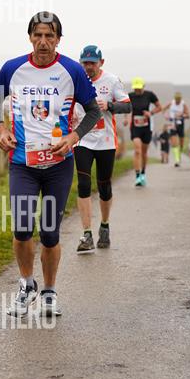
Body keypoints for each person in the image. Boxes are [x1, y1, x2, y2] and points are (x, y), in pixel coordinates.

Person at [0, 11, 100, 317]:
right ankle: (27, 285)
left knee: (49, 233)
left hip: (58, 165)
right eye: (37, 35)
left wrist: (74, 137)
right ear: (30, 37)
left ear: (58, 39)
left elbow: (93, 111)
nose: (43, 41)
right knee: (22, 228)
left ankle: (49, 292)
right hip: (22, 163)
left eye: (50, 35)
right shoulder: (12, 68)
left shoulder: (72, 71)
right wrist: (1, 129)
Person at [69, 45, 131, 254]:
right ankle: (86, 234)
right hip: (82, 139)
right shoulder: (75, 80)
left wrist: (109, 106)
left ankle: (104, 225)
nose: (89, 67)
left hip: (106, 141)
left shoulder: (111, 81)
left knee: (104, 186)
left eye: (92, 63)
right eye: (85, 63)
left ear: (101, 63)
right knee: (84, 183)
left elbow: (127, 106)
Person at [125, 78, 161, 186]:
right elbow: (127, 109)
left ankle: (143, 173)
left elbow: (159, 107)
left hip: (147, 127)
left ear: (143, 87)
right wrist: (126, 119)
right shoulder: (130, 96)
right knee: (137, 150)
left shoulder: (150, 95)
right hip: (135, 126)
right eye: (135, 88)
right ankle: (137, 176)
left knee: (144, 152)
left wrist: (151, 113)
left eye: (139, 88)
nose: (137, 90)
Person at [163, 92, 190, 167]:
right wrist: (166, 115)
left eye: (179, 99)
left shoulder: (183, 104)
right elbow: (163, 109)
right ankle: (177, 160)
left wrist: (182, 115)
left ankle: (179, 155)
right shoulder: (171, 103)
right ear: (174, 98)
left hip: (180, 125)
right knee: (174, 143)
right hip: (173, 125)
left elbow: (188, 115)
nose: (178, 101)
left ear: (181, 99)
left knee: (181, 144)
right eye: (176, 99)